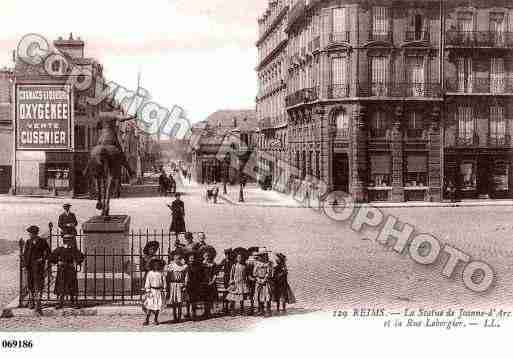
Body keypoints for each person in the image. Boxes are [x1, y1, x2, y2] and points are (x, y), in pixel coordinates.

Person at [49, 234, 85, 309]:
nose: (69, 242)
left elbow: (81, 257)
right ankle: (60, 302)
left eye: (70, 240)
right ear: (65, 241)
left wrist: (76, 262)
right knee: (61, 286)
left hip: (71, 269)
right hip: (61, 270)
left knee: (72, 286)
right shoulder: (59, 249)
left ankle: (73, 302)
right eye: (67, 241)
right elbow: (51, 258)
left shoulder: (73, 249)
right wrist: (57, 262)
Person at [22, 226, 51, 315]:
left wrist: (42, 259)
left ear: (35, 233)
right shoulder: (28, 242)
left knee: (38, 285)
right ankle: (31, 301)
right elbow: (25, 254)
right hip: (29, 266)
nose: (29, 234)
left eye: (30, 233)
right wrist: (25, 265)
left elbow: (48, 252)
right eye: (29, 233)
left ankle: (38, 303)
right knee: (30, 284)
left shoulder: (42, 241)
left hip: (38, 267)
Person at [166, 252, 189, 323]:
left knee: (180, 302)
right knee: (174, 302)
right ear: (174, 259)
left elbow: (186, 276)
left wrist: (185, 284)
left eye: (179, 258)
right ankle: (174, 316)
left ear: (181, 259)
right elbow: (167, 276)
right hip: (173, 285)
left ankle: (179, 316)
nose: (177, 260)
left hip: (180, 285)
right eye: (176, 259)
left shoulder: (184, 266)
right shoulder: (171, 266)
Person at [143, 258, 166, 326]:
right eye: (154, 264)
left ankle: (156, 319)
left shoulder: (161, 273)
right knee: (150, 306)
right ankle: (147, 319)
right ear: (152, 265)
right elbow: (147, 282)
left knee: (158, 306)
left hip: (159, 291)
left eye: (157, 264)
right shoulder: (150, 273)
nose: (156, 266)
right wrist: (148, 290)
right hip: (152, 291)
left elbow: (164, 282)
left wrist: (164, 289)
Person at [253, 251, 273, 316]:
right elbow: (254, 273)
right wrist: (258, 279)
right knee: (259, 295)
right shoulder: (257, 264)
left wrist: (264, 279)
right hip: (259, 281)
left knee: (267, 295)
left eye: (264, 255)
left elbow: (268, 273)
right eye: (261, 256)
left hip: (266, 281)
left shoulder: (268, 264)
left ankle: (268, 310)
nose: (262, 257)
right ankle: (261, 310)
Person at [201, 251, 218, 319]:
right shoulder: (202, 264)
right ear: (203, 256)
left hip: (211, 282)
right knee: (205, 297)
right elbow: (200, 274)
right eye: (205, 256)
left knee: (210, 298)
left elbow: (215, 274)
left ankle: (209, 312)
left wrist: (212, 281)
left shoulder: (213, 264)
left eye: (208, 256)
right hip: (204, 282)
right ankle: (205, 311)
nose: (207, 257)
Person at [185, 252, 202, 320]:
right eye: (191, 258)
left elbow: (199, 276)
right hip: (188, 284)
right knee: (188, 299)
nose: (192, 259)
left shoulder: (197, 266)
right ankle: (187, 312)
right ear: (188, 259)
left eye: (193, 258)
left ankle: (194, 313)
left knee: (194, 300)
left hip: (195, 285)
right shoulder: (186, 266)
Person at [219, 248, 233, 314]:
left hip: (232, 277)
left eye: (229, 254)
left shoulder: (233, 261)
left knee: (232, 292)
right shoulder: (223, 260)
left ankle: (231, 308)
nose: (227, 255)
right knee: (225, 292)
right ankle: (225, 307)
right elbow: (219, 267)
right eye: (226, 254)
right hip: (226, 278)